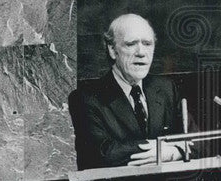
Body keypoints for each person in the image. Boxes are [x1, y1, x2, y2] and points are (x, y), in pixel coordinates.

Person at [68, 13, 190, 170]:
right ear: (112, 50)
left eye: (147, 44)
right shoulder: (86, 98)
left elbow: (197, 141)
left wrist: (173, 153)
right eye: (131, 44)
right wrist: (161, 150)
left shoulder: (167, 88)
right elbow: (103, 153)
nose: (141, 52)